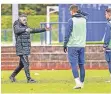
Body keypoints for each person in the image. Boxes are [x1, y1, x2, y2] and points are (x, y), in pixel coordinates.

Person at [9, 14, 50, 83]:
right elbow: (17, 30)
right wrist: (25, 29)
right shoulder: (16, 24)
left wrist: (44, 29)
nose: (25, 21)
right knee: (26, 63)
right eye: (24, 19)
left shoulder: (25, 26)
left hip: (25, 48)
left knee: (22, 65)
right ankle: (29, 79)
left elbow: (33, 30)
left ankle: (12, 76)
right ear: (20, 19)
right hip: (21, 48)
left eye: (26, 19)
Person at [64, 5, 87, 89]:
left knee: (74, 64)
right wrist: (79, 12)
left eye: (70, 11)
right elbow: (86, 15)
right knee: (81, 64)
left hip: (72, 45)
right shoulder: (84, 20)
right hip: (82, 45)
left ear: (72, 11)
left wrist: (64, 45)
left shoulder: (71, 20)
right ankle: (82, 83)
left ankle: (77, 83)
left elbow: (67, 34)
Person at [104, 8, 111, 83]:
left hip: (109, 46)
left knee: (110, 62)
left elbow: (108, 35)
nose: (105, 15)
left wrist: (105, 45)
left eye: (105, 14)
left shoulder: (109, 23)